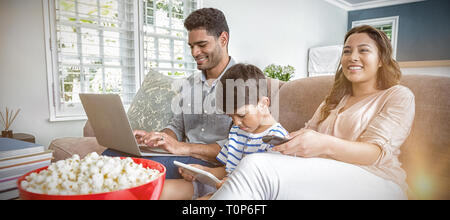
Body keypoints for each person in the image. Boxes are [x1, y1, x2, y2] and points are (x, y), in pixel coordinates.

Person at [210, 25, 415, 200]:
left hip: (379, 181)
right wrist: (289, 143)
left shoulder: (398, 96)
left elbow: (376, 154)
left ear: (381, 59)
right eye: (346, 51)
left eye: (363, 50)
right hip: (327, 177)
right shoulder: (334, 100)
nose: (353, 57)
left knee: (256, 167)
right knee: (254, 167)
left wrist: (324, 144)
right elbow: (308, 133)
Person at [103, 8, 236, 179]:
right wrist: (159, 138)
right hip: (181, 156)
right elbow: (177, 126)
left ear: (223, 39)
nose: (194, 53)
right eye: (192, 46)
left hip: (210, 164)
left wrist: (182, 147)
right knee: (109, 154)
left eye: (202, 45)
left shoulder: (244, 82)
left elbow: (237, 146)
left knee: (131, 169)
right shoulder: (190, 83)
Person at [159, 63, 289, 199]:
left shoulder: (277, 140)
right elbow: (227, 170)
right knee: (160, 191)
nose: (236, 122)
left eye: (242, 115)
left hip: (244, 195)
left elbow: (270, 188)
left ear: (263, 104)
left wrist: (235, 185)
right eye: (231, 117)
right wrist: (203, 171)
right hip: (219, 187)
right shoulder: (238, 131)